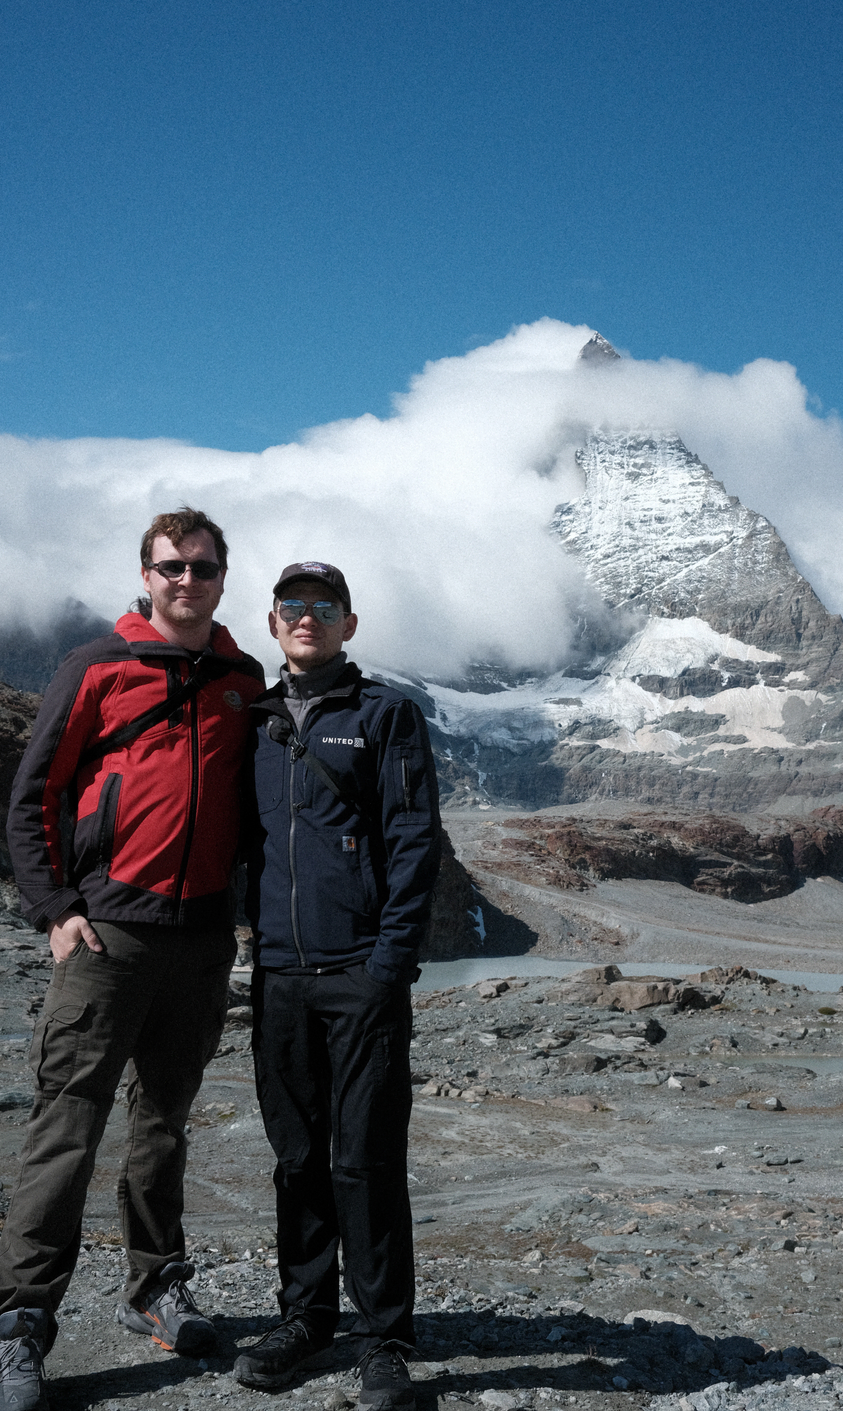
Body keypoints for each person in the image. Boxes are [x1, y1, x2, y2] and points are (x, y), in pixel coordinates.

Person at [0, 508, 265, 1410]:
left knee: (163, 1126)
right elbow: (32, 798)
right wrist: (58, 909)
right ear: (145, 574)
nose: (186, 581)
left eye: (203, 567)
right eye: (171, 567)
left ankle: (156, 1288)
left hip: (200, 940)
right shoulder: (96, 667)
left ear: (224, 577)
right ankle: (23, 1321)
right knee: (65, 1128)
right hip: (107, 934)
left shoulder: (242, 676)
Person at [234, 562, 441, 1411]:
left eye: (324, 607)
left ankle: (384, 1335)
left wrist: (388, 967)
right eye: (293, 606)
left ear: (348, 625)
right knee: (296, 1160)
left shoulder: (384, 714)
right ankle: (305, 1317)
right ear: (273, 622)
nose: (307, 618)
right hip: (279, 975)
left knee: (365, 1160)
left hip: (360, 974)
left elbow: (413, 841)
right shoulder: (251, 721)